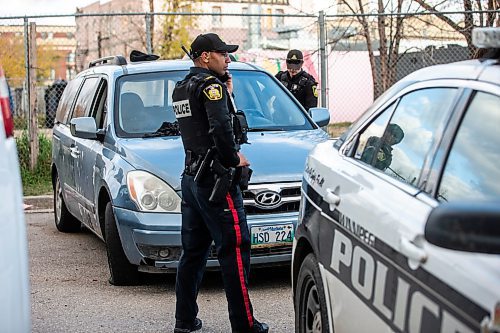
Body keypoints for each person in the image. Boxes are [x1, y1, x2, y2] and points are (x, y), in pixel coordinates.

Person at [171, 33, 269, 333]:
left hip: (192, 179)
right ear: (204, 57)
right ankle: (244, 325)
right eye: (222, 54)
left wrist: (228, 92)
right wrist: (234, 159)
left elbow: (197, 126)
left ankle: (184, 321)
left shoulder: (181, 87)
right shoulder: (211, 87)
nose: (228, 59)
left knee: (193, 253)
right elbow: (221, 129)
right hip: (216, 181)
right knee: (235, 249)